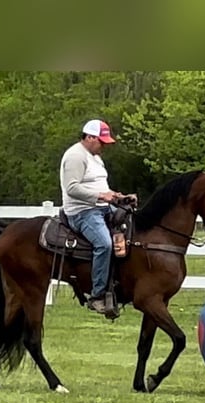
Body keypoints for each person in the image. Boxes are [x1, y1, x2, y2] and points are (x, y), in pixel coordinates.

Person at [59, 119, 131, 315]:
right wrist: (101, 196)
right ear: (89, 137)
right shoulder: (75, 156)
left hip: (103, 207)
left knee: (132, 228)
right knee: (104, 244)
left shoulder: (95, 157)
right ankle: (97, 295)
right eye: (101, 141)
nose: (104, 146)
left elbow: (100, 187)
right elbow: (72, 188)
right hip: (82, 211)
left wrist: (118, 197)